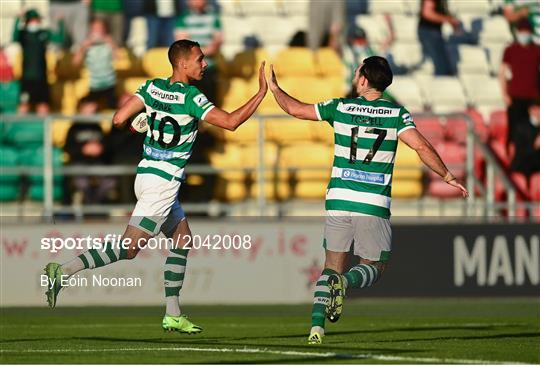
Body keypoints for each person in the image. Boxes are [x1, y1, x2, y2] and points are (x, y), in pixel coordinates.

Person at [44, 39, 268, 334]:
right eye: (200, 59)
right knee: (129, 248)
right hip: (162, 184)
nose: (205, 64)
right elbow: (230, 122)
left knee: (183, 240)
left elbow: (118, 119)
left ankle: (173, 313)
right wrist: (262, 93)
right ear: (182, 64)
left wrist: (143, 122)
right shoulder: (192, 97)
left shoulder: (150, 88)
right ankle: (63, 271)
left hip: (147, 174)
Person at [267, 56, 468, 344]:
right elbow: (421, 146)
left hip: (338, 198)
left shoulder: (341, 107)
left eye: (357, 71)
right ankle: (345, 283)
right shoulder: (396, 115)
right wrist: (447, 175)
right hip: (372, 201)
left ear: (363, 79)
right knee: (375, 265)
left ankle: (316, 330)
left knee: (330, 265)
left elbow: (297, 110)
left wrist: (275, 89)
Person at [499, 19, 540, 156]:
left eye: (526, 32)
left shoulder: (536, 50)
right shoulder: (510, 50)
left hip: (533, 99)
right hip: (515, 97)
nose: (524, 35)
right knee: (514, 130)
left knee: (532, 131)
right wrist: (504, 94)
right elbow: (502, 72)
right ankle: (512, 158)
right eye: (522, 32)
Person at [64, 97, 117, 205]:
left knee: (110, 182)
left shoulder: (97, 127)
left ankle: (94, 206)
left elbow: (106, 147)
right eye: (88, 108)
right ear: (81, 109)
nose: (92, 111)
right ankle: (89, 208)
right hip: (79, 162)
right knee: (82, 182)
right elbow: (68, 148)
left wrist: (100, 148)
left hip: (97, 163)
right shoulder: (74, 128)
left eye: (93, 108)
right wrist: (83, 149)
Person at [12, 9, 65, 115]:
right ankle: (20, 129)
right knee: (23, 106)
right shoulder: (23, 34)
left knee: (43, 106)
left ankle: (43, 131)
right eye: (33, 20)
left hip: (42, 78)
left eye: (37, 20)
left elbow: (59, 39)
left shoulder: (44, 33)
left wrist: (61, 23)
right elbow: (14, 37)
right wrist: (17, 20)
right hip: (27, 78)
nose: (35, 23)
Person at [175, 0, 222, 105]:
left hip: (209, 68)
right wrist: (203, 53)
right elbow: (181, 43)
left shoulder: (213, 17)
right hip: (191, 68)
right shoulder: (183, 18)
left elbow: (218, 40)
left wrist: (198, 54)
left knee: (210, 103)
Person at [73, 17, 118, 109]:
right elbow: (75, 63)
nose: (97, 31)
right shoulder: (87, 46)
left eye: (100, 29)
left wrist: (112, 44)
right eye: (95, 29)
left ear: (105, 30)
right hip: (94, 85)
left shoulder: (109, 44)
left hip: (110, 84)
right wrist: (83, 48)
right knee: (86, 106)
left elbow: (119, 60)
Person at [417, 0, 460, 76]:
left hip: (432, 31)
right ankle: (441, 84)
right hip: (429, 31)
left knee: (443, 63)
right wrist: (449, 20)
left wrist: (451, 21)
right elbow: (427, 13)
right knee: (441, 64)